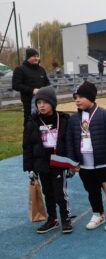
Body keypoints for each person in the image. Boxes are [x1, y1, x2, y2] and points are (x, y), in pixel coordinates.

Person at [66, 81, 106, 231]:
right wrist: (73, 162)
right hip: (85, 165)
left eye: (81, 97)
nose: (77, 100)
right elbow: (70, 141)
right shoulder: (73, 119)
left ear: (91, 97)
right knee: (92, 192)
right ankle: (98, 214)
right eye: (75, 97)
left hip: (104, 163)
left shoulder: (105, 115)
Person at [23, 86, 73, 234]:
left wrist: (71, 164)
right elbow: (27, 146)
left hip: (58, 162)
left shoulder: (63, 120)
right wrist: (30, 168)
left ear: (53, 103)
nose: (42, 106)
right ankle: (52, 219)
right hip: (41, 162)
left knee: (60, 192)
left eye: (45, 102)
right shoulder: (32, 121)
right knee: (47, 192)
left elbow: (70, 142)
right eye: (39, 103)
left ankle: (65, 218)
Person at [12, 48, 50, 125]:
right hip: (28, 101)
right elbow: (16, 85)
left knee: (43, 121)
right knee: (30, 121)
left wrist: (47, 89)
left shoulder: (41, 69)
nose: (36, 58)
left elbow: (47, 82)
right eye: (34, 56)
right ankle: (28, 136)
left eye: (37, 56)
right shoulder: (20, 69)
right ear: (28, 57)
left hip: (43, 99)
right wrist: (32, 90)